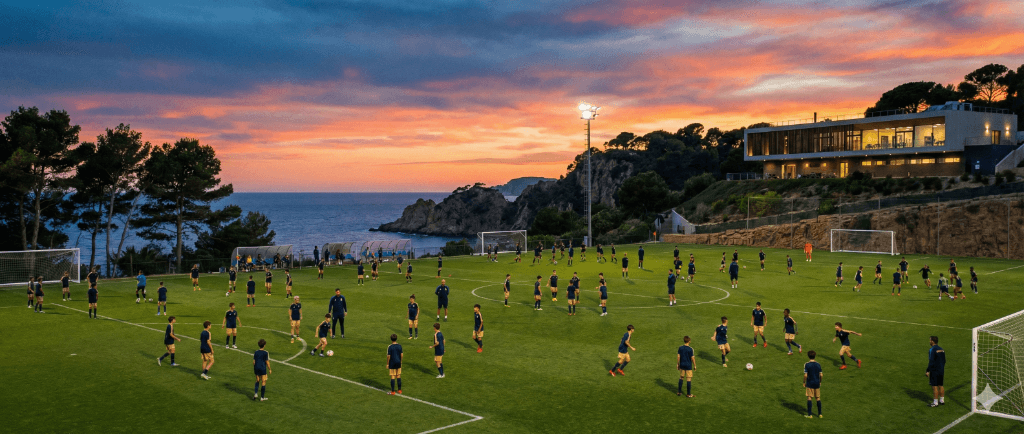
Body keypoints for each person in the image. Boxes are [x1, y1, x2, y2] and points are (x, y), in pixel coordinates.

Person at [926, 336, 946, 407]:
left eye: (930, 340)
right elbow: (944, 360)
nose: (929, 342)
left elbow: (931, 361)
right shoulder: (941, 349)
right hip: (941, 370)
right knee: (940, 385)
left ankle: (935, 402)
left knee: (934, 386)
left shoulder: (932, 349)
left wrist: (928, 370)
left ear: (932, 341)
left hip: (934, 370)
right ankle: (942, 400)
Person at [804, 350, 824, 418]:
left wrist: (804, 382)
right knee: (818, 398)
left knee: (809, 397)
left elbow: (805, 375)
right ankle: (820, 414)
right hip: (816, 383)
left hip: (809, 383)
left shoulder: (807, 364)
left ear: (808, 356)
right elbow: (821, 375)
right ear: (815, 356)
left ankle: (810, 415)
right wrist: (820, 381)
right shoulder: (818, 364)